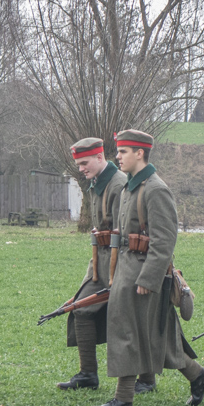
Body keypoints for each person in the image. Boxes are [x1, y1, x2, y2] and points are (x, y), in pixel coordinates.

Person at [89, 129, 204, 406]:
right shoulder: (131, 188)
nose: (117, 156)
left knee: (128, 333)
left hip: (143, 272)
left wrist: (149, 278)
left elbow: (165, 240)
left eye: (123, 152)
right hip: (127, 267)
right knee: (147, 336)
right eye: (118, 151)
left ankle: (123, 400)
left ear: (140, 153)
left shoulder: (155, 189)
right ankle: (198, 375)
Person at [55, 137, 127, 391]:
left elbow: (124, 233)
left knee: (133, 320)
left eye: (84, 163)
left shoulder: (118, 184)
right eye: (78, 164)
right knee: (80, 308)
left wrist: (120, 275)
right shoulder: (98, 184)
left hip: (123, 263)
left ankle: (148, 379)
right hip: (102, 262)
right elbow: (100, 236)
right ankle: (87, 374)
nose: (81, 168)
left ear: (100, 158)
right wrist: (91, 275)